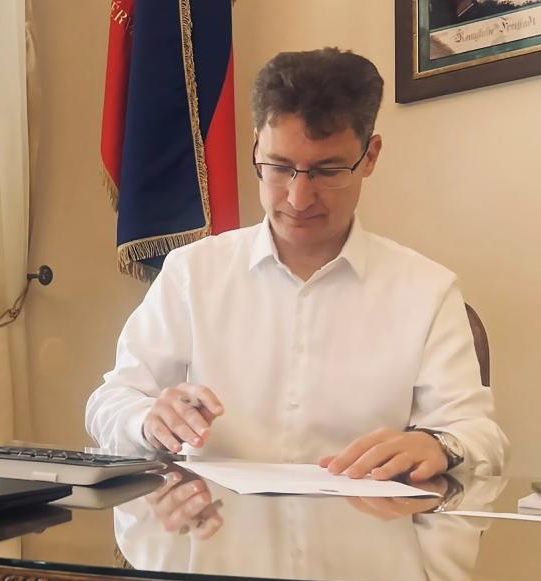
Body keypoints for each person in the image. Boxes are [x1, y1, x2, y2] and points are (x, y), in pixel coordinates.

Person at [86, 48, 507, 482]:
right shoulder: (192, 273)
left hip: (367, 520)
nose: (298, 198)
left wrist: (439, 444)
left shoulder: (427, 291)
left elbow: (480, 436)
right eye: (279, 166)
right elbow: (111, 401)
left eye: (327, 171)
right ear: (256, 146)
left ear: (370, 156)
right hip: (214, 519)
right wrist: (146, 419)